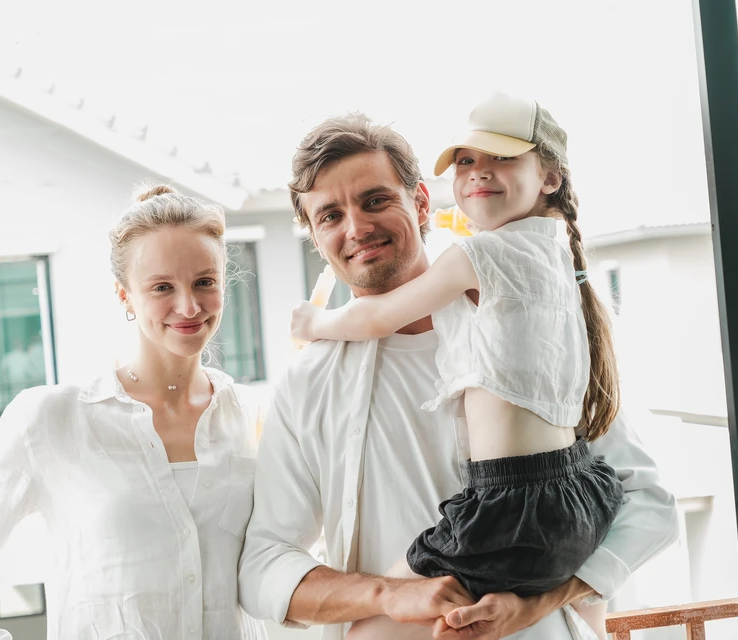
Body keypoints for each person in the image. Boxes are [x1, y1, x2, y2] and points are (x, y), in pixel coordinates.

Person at [239, 112, 679, 640]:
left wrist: (540, 602)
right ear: (314, 235)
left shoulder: (524, 331)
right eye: (330, 215)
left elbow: (648, 500)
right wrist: (390, 595)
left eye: (376, 200)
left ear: (422, 201)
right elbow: (264, 566)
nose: (356, 228)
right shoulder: (309, 379)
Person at [0, 184, 266, 639]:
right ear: (124, 296)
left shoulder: (248, 414)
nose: (189, 306)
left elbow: (282, 560)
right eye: (162, 287)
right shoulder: (50, 419)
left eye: (204, 282)